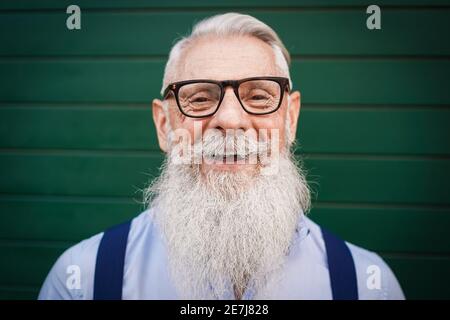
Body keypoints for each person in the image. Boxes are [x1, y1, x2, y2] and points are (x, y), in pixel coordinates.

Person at [39, 12, 404, 300]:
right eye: (199, 98)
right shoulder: (82, 282)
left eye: (259, 96)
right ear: (164, 123)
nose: (230, 120)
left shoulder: (366, 286)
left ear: (290, 117)